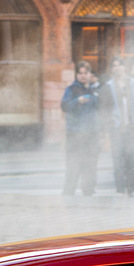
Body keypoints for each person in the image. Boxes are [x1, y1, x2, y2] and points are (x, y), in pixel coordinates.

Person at [59, 62, 104, 196]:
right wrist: (77, 101)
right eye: (80, 73)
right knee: (73, 165)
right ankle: (68, 192)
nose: (83, 76)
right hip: (75, 134)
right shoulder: (71, 89)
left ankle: (89, 191)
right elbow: (64, 106)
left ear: (90, 74)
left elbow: (100, 110)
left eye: (86, 73)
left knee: (90, 164)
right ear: (77, 75)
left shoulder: (94, 89)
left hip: (91, 133)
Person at [105, 56, 134, 195]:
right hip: (116, 128)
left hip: (131, 128)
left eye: (119, 65)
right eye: (114, 66)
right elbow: (105, 110)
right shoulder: (108, 87)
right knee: (117, 159)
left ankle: (132, 188)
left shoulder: (133, 84)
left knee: (131, 158)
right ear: (112, 69)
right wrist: (108, 128)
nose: (117, 68)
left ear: (124, 67)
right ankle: (120, 188)